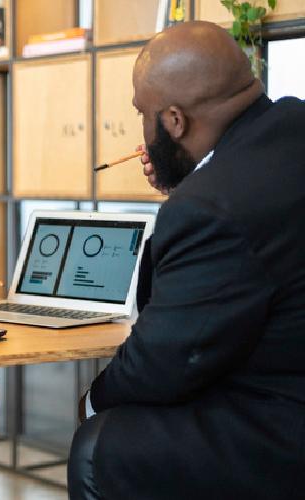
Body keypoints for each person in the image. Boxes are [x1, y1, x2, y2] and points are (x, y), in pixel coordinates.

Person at [67, 21, 305, 499]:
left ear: (174, 121)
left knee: (100, 445)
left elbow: (165, 355)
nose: (143, 128)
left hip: (282, 423)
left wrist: (91, 403)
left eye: (143, 114)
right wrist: (187, 184)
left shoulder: (208, 206)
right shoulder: (291, 126)